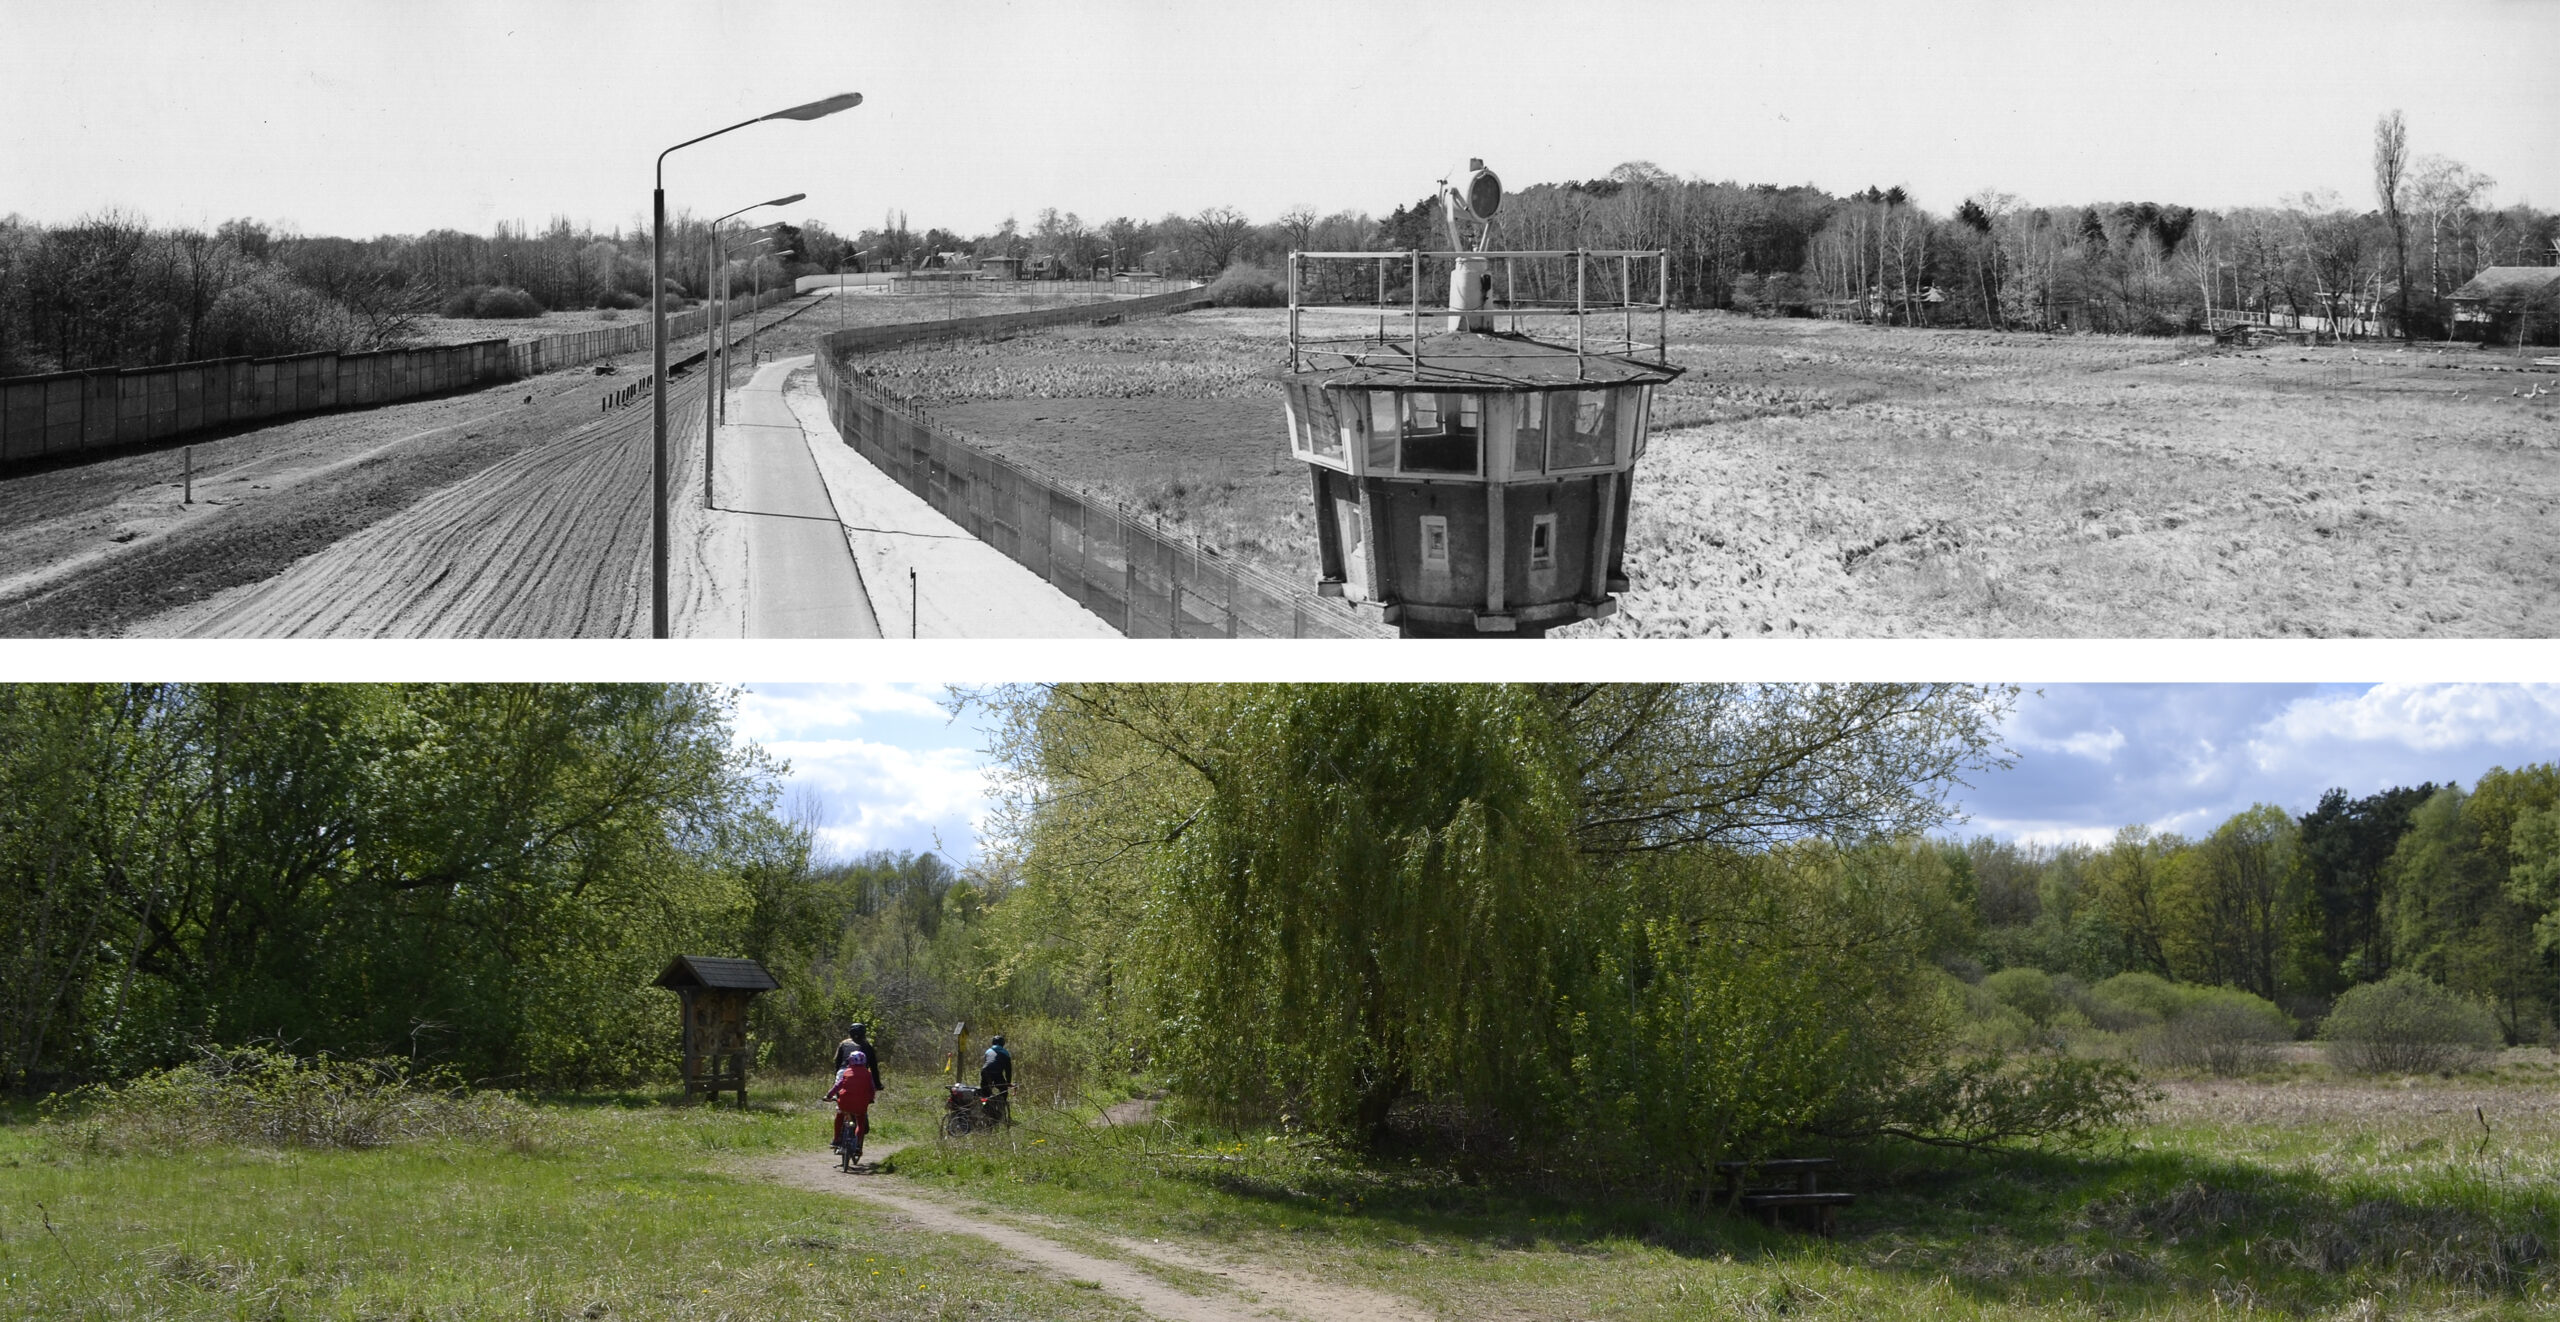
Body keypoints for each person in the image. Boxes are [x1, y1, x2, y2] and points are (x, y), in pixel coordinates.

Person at [824, 1048, 878, 1163]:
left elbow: (837, 1086)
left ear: (851, 1061)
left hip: (844, 1103)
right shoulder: (868, 1074)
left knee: (839, 1115)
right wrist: (871, 1098)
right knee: (860, 1122)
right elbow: (872, 1089)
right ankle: (858, 1145)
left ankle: (836, 1139)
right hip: (861, 1104)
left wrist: (829, 1095)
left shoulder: (846, 1072)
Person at [834, 1022, 884, 1095]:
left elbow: (837, 1062)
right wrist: (878, 1084)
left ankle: (837, 1095)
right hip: (862, 1073)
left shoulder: (843, 1044)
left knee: (838, 1089)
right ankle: (870, 1098)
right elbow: (874, 1067)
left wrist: (836, 1076)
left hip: (844, 1072)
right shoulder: (867, 1045)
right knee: (867, 1093)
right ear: (864, 1033)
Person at [977, 1034, 1013, 1125]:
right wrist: (1008, 1082)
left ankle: (984, 1108)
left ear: (993, 1043)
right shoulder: (1005, 1053)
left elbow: (986, 1063)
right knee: (1003, 1091)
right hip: (997, 1073)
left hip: (985, 1072)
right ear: (1003, 1044)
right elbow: (1008, 1070)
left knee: (985, 1093)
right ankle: (1001, 1109)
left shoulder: (988, 1051)